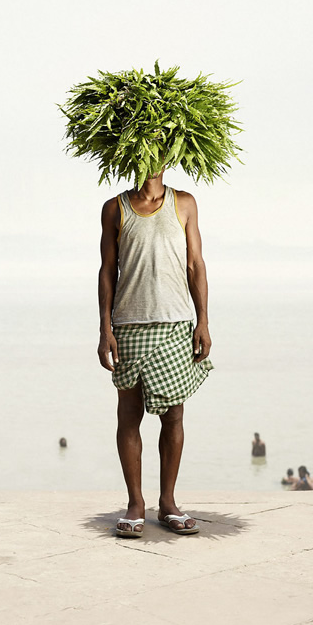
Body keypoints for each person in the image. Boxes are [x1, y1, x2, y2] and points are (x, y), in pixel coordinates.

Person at [99, 169, 213, 538]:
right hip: (129, 323)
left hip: (176, 322)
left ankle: (168, 503)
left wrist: (203, 321)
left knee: (174, 416)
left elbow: (195, 264)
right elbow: (108, 270)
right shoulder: (115, 208)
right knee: (128, 415)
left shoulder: (184, 203)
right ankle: (135, 503)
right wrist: (104, 329)